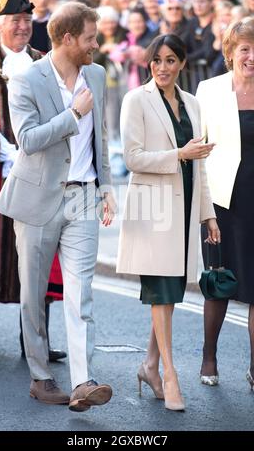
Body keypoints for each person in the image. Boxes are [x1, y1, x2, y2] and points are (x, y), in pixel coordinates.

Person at [0, 0, 115, 410]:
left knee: (82, 294)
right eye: (90, 38)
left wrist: (107, 187)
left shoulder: (96, 75)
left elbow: (102, 134)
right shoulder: (26, 80)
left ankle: (83, 381)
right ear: (67, 38)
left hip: (84, 195)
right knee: (33, 293)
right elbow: (27, 140)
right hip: (37, 197)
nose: (95, 46)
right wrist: (71, 113)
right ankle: (41, 376)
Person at [117, 34, 220, 411]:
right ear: (149, 63)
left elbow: (200, 163)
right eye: (157, 60)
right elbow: (132, 157)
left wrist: (208, 214)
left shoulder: (192, 104)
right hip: (152, 210)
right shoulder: (135, 99)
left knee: (170, 295)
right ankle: (171, 375)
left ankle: (148, 365)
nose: (163, 67)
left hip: (186, 206)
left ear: (182, 63)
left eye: (171, 60)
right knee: (161, 293)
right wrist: (180, 153)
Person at [0, 0, 66, 361]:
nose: (22, 27)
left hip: (37, 173)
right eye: (15, 20)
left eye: (27, 20)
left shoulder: (45, 62)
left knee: (39, 253)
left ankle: (35, 340)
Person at [196, 17, 254, 390]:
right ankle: (209, 356)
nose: (252, 57)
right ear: (230, 53)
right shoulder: (209, 90)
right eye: (245, 49)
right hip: (222, 205)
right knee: (219, 283)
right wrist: (203, 210)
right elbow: (199, 151)